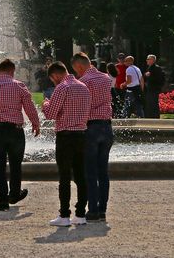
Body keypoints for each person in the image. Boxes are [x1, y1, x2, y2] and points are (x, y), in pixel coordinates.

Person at [42, 61, 90, 227]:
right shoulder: (83, 86)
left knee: (64, 176)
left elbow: (51, 114)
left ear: (55, 75)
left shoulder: (62, 87)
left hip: (65, 135)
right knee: (80, 175)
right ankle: (81, 213)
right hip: (81, 134)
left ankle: (64, 215)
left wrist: (45, 104)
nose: (53, 82)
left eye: (52, 79)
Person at [0, 58, 41, 212]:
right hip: (15, 129)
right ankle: (14, 193)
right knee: (15, 165)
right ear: (12, 71)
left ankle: (2, 200)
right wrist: (35, 123)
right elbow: (29, 107)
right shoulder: (19, 85)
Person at [72, 53, 113, 223]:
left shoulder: (83, 82)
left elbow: (81, 106)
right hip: (107, 126)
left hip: (91, 127)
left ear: (79, 66)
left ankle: (93, 210)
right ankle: (102, 210)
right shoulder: (106, 78)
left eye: (76, 70)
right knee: (103, 172)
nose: (76, 74)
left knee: (90, 172)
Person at [143, 54, 165, 119]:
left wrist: (149, 76)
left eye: (148, 59)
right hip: (150, 88)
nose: (146, 60)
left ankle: (155, 116)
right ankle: (150, 116)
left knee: (153, 103)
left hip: (154, 89)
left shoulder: (156, 68)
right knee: (149, 103)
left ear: (152, 60)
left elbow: (159, 79)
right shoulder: (150, 67)